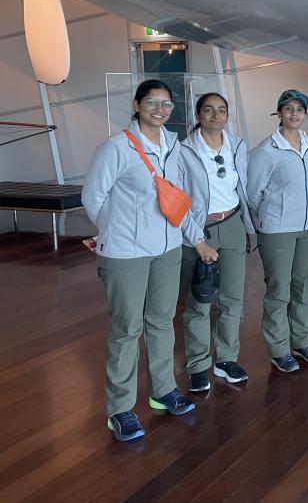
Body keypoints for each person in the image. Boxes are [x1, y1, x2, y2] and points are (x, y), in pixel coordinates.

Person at [82, 79, 218, 442]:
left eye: (166, 104)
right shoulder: (116, 148)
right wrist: (114, 232)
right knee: (127, 329)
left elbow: (179, 199)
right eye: (152, 103)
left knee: (161, 321)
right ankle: (120, 409)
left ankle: (163, 390)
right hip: (125, 253)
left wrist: (197, 240)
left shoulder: (175, 147)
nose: (160, 110)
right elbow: (93, 197)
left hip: (167, 249)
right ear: (137, 105)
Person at [179, 92, 255, 392]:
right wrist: (195, 237)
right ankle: (198, 365)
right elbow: (178, 199)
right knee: (199, 301)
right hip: (200, 228)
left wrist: (248, 225)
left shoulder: (237, 144)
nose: (215, 115)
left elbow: (244, 186)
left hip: (233, 222)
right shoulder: (184, 150)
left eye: (221, 110)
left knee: (232, 298)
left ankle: (226, 359)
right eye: (209, 110)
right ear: (199, 115)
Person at [247, 90, 308, 371]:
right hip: (278, 230)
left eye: (299, 109)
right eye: (288, 109)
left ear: (305, 114)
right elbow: (252, 193)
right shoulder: (266, 150)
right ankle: (279, 349)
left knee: (303, 288)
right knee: (279, 290)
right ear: (279, 113)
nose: (294, 114)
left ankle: (302, 342)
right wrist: (270, 216)